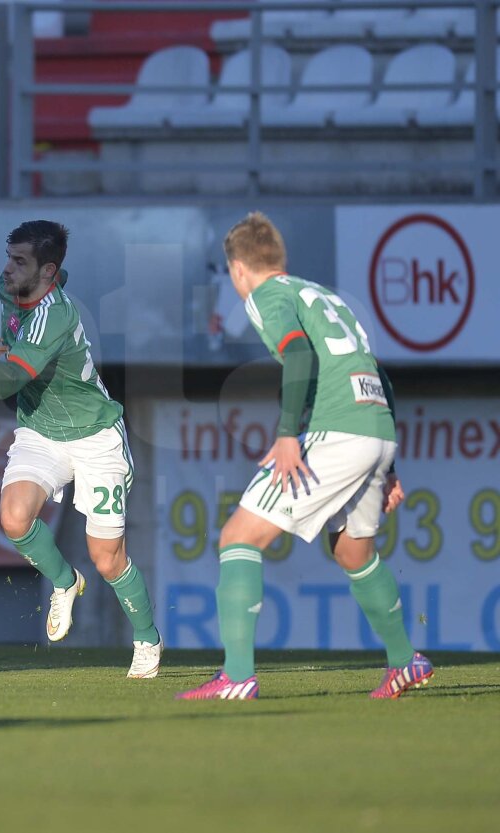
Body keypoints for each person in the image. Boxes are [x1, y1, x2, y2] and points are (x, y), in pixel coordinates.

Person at [176, 212, 430, 701]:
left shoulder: (266, 296)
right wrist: (389, 463)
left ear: (238, 269)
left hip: (336, 430)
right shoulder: (326, 296)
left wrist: (288, 433)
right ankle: (405, 661)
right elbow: (381, 375)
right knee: (351, 550)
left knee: (238, 537)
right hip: (375, 427)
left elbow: (297, 355)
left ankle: (236, 676)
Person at [0, 220, 163, 679]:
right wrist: (5, 349)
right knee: (14, 517)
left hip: (94, 435)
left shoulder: (57, 314)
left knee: (107, 558)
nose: (7, 269)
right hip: (40, 430)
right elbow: (17, 354)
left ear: (46, 270)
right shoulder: (10, 288)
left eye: (19, 261)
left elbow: (6, 384)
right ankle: (65, 582)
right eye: (8, 257)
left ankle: (148, 638)